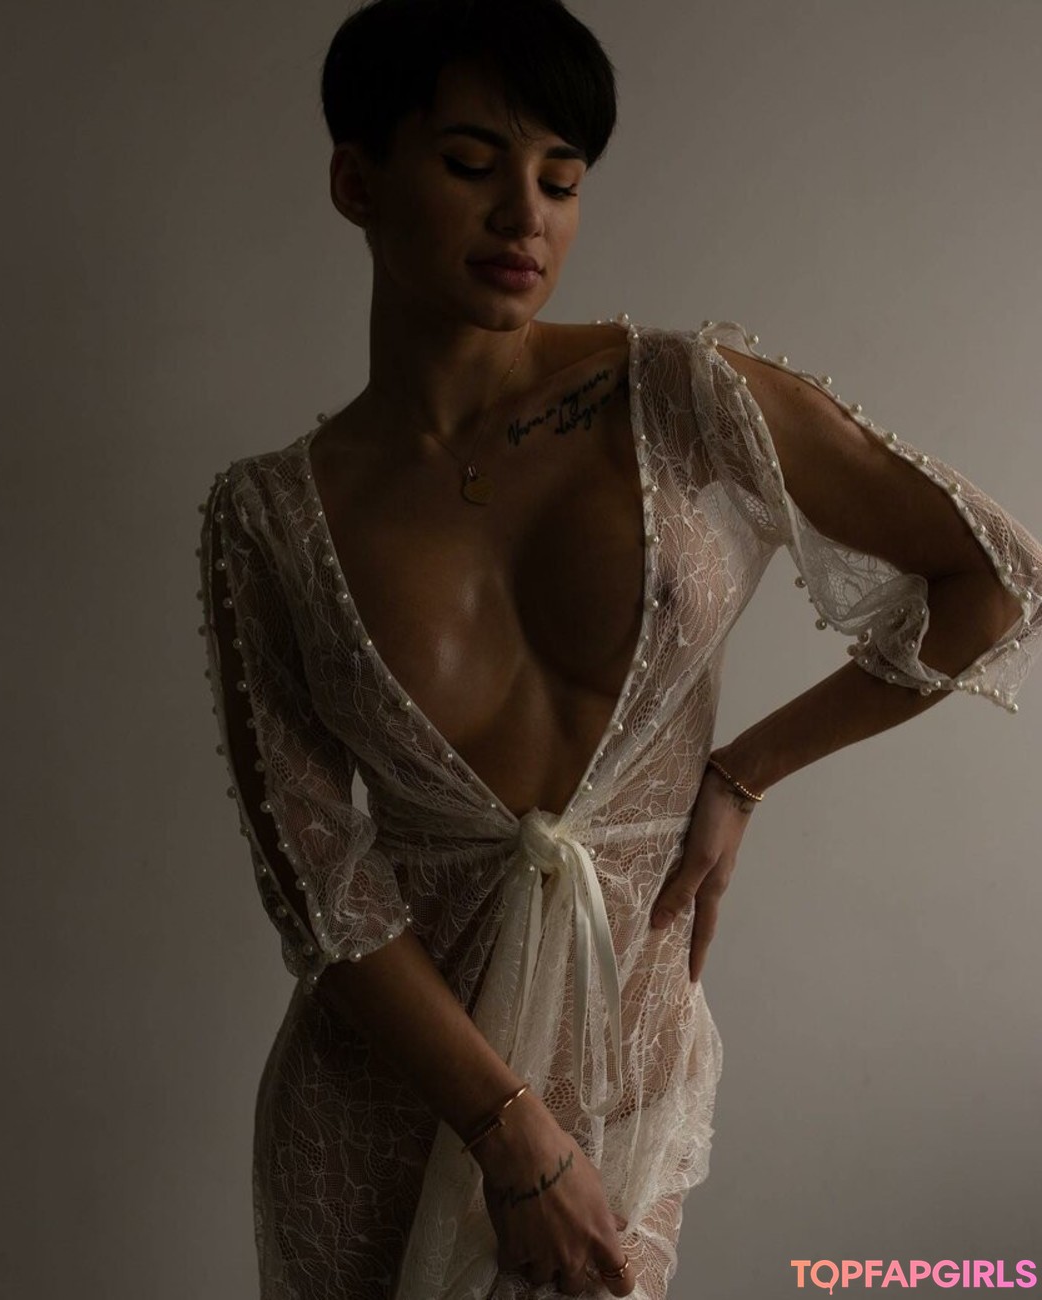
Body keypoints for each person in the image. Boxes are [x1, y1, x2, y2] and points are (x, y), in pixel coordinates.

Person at [196, 1, 1042, 1296]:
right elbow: (322, 884)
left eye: (562, 179)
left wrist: (743, 772)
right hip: (385, 1115)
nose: (524, 216)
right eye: (472, 164)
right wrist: (507, 1136)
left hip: (617, 1097)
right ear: (355, 181)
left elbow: (993, 579)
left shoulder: (684, 400)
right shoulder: (269, 518)